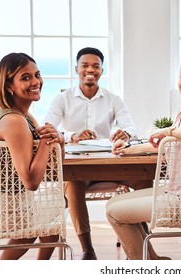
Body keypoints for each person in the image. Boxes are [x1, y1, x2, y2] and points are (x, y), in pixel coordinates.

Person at [105, 53, 181, 260]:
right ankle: (153, 261)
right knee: (114, 205)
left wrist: (169, 131)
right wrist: (127, 149)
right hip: (178, 192)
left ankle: (144, 266)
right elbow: (167, 147)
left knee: (116, 214)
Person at [43, 47, 147, 260]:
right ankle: (88, 250)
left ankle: (141, 243)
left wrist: (124, 133)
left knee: (144, 178)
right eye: (85, 65)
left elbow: (132, 129)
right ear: (76, 69)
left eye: (96, 66)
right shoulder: (62, 99)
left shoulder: (112, 99)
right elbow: (47, 129)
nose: (90, 70)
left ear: (101, 70)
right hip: (79, 169)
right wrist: (72, 135)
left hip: (109, 165)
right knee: (73, 185)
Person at [0, 52, 65, 259]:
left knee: (56, 209)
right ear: (9, 86)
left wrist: (58, 140)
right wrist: (47, 141)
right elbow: (31, 181)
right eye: (25, 77)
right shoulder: (14, 121)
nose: (36, 81)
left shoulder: (24, 116)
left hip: (11, 203)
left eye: (36, 75)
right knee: (55, 212)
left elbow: (53, 167)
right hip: (7, 208)